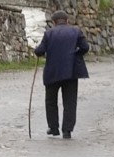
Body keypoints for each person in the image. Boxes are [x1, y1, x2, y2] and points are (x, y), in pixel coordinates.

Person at [34, 10, 90, 138]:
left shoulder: (49, 34)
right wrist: (76, 55)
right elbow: (85, 47)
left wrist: (36, 51)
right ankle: (67, 130)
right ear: (67, 21)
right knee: (70, 101)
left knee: (51, 101)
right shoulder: (76, 31)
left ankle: (54, 128)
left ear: (53, 22)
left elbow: (41, 51)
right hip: (71, 70)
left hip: (52, 72)